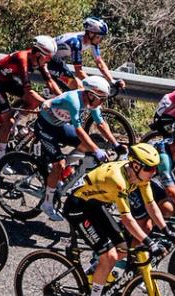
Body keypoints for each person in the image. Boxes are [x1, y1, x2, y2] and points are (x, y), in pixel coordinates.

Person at [63, 142, 171, 296]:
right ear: (136, 165)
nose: (154, 172)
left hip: (95, 203)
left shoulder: (140, 178)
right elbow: (128, 220)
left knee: (123, 249)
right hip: (77, 207)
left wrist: (167, 231)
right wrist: (150, 243)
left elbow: (151, 205)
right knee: (110, 255)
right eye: (150, 168)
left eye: (155, 168)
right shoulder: (118, 181)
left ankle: (96, 272)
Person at [34, 75, 123, 221]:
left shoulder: (92, 102)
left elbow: (100, 123)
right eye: (101, 98)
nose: (102, 102)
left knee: (87, 146)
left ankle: (60, 172)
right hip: (45, 127)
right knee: (60, 164)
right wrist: (96, 150)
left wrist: (116, 144)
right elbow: (79, 131)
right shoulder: (74, 100)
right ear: (90, 94)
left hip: (60, 126)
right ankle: (47, 203)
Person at [0, 34, 58, 147]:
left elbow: (50, 82)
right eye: (47, 58)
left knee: (33, 101)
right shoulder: (22, 58)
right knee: (8, 122)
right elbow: (28, 92)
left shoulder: (39, 61)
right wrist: (47, 104)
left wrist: (63, 98)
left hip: (8, 80)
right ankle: (2, 155)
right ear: (38, 54)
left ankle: (14, 124)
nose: (47, 62)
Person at [49, 17, 114, 90]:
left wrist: (112, 80)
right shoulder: (76, 43)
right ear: (91, 34)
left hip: (56, 60)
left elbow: (99, 63)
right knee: (77, 86)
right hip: (48, 59)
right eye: (99, 37)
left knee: (74, 86)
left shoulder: (91, 42)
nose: (100, 40)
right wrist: (95, 86)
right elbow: (79, 71)